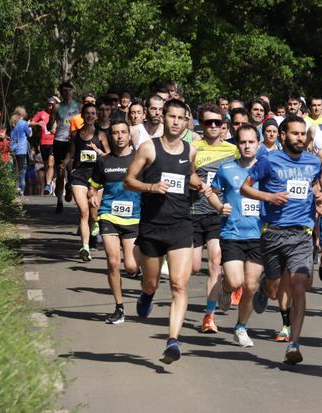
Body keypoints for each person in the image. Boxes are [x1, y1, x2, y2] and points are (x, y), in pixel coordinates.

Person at [124, 99, 205, 364]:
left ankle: (173, 342)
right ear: (163, 117)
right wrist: (150, 188)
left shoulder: (191, 151)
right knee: (151, 282)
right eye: (172, 116)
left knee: (179, 284)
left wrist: (199, 184)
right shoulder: (149, 149)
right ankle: (146, 294)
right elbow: (129, 180)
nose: (176, 122)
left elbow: (187, 175)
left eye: (181, 118)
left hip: (181, 225)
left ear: (186, 122)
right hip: (152, 226)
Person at [242, 115, 322, 365]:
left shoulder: (313, 162)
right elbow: (245, 188)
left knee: (299, 287)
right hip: (273, 232)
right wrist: (268, 197)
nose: (300, 138)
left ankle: (294, 343)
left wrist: (321, 198)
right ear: (282, 135)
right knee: (274, 290)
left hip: (302, 232)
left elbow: (316, 186)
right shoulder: (268, 160)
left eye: (303, 134)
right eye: (295, 134)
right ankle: (263, 286)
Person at [204, 124, 264, 347]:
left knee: (250, 286)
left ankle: (240, 328)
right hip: (232, 233)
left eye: (251, 142)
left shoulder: (266, 169)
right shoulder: (226, 169)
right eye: (243, 142)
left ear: (258, 144)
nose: (247, 146)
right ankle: (226, 289)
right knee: (236, 280)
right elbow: (210, 191)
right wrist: (220, 207)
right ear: (237, 144)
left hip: (258, 234)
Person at [88, 120, 141, 324]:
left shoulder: (139, 159)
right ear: (111, 136)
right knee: (112, 261)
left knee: (131, 267)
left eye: (123, 132)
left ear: (129, 135)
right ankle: (119, 308)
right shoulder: (104, 161)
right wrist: (92, 195)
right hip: (108, 214)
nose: (119, 136)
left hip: (134, 216)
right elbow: (93, 186)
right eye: (115, 133)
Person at [191, 103, 239, 333]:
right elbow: (185, 172)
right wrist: (195, 182)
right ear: (201, 124)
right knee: (191, 267)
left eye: (216, 122)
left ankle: (209, 316)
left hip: (218, 215)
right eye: (208, 122)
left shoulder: (233, 151)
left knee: (215, 264)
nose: (212, 126)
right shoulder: (193, 147)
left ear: (224, 126)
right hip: (192, 213)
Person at [67, 104, 110, 261]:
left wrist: (96, 150)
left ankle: (96, 222)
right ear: (83, 115)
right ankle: (85, 247)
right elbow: (71, 154)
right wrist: (65, 164)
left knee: (93, 211)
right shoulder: (76, 134)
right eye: (87, 113)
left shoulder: (101, 135)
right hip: (79, 176)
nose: (91, 116)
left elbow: (108, 155)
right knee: (83, 211)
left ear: (96, 116)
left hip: (97, 176)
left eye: (93, 113)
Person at [53, 82, 80, 213]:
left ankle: (69, 186)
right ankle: (59, 201)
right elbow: (49, 125)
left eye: (69, 90)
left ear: (72, 91)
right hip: (59, 140)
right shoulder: (57, 107)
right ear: (61, 93)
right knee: (60, 172)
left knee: (71, 171)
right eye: (64, 90)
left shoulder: (78, 106)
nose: (67, 93)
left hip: (73, 141)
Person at [31, 98, 57, 195]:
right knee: (47, 165)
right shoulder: (41, 113)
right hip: (43, 143)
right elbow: (30, 123)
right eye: (49, 104)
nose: (50, 106)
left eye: (52, 104)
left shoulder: (57, 115)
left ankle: (48, 185)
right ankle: (50, 181)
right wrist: (37, 123)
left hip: (54, 143)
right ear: (46, 104)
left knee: (50, 163)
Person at [9, 106, 32, 196]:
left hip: (13, 148)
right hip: (21, 150)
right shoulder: (24, 123)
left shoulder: (12, 122)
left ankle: (15, 188)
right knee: (22, 170)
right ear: (22, 114)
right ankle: (21, 190)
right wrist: (30, 128)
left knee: (15, 169)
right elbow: (29, 134)